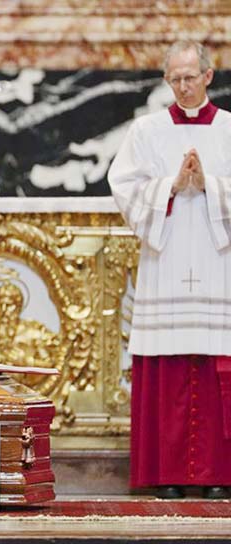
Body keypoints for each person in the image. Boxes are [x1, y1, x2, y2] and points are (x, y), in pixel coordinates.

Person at [108, 40, 231, 500]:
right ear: (166, 81)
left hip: (220, 266)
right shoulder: (147, 131)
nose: (182, 87)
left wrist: (212, 186)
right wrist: (171, 186)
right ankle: (169, 474)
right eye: (174, 79)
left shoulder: (230, 130)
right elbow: (122, 185)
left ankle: (220, 475)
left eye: (190, 77)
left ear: (208, 75)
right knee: (170, 368)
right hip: (168, 262)